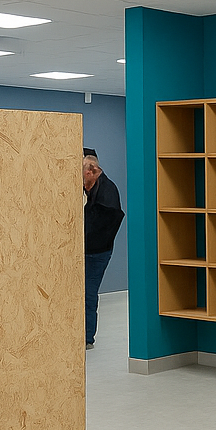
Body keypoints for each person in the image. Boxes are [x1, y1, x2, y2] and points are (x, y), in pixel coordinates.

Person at [83, 149, 124, 349]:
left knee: (88, 293)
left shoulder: (107, 196)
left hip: (97, 252)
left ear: (91, 172)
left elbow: (101, 228)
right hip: (89, 248)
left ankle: (87, 338)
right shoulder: (92, 185)